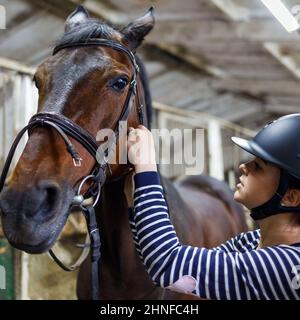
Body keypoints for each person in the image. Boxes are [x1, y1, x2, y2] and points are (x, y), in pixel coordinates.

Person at [126, 114, 300, 300]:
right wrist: (133, 202)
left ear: (290, 197)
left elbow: (169, 263)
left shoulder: (288, 266)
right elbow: (177, 275)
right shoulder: (251, 242)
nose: (243, 166)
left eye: (258, 166)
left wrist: (147, 170)